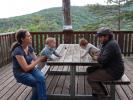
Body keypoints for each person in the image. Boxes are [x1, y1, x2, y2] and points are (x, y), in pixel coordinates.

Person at [87, 27, 124, 100]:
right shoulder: (107, 43)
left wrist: (96, 57)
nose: (99, 38)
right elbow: (103, 55)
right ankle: (103, 91)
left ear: (107, 36)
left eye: (100, 37)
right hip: (111, 68)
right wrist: (98, 56)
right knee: (89, 70)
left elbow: (103, 60)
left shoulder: (111, 45)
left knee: (90, 78)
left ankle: (103, 97)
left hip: (114, 72)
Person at [11, 29, 47, 100]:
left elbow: (35, 58)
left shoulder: (29, 46)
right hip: (21, 73)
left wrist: (45, 57)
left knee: (42, 78)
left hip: (31, 69)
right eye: (28, 36)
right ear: (22, 39)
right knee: (37, 82)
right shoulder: (18, 51)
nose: (31, 37)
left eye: (30, 35)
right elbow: (26, 68)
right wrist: (39, 60)